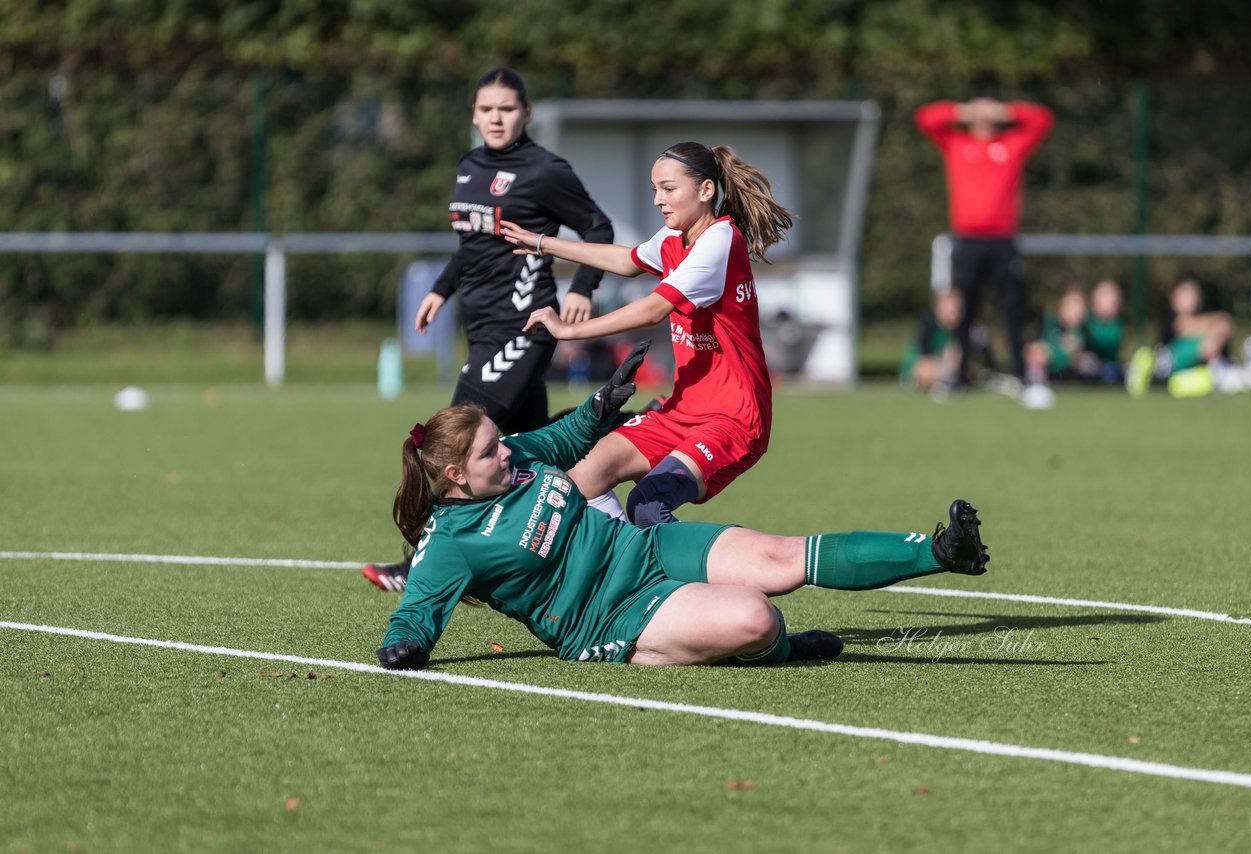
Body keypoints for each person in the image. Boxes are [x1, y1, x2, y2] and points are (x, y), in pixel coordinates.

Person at [375, 343, 990, 670]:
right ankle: (780, 648)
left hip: (644, 548)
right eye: (490, 454)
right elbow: (418, 610)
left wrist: (597, 407)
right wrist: (406, 646)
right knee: (756, 617)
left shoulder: (516, 453)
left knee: (781, 559)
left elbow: (558, 441)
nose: (506, 455)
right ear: (455, 476)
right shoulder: (448, 540)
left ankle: (940, 551)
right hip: (608, 616)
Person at [363, 67, 613, 591]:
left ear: (526, 113)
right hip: (482, 329)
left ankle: (420, 567)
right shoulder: (470, 165)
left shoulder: (545, 169)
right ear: (473, 115)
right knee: (539, 450)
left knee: (450, 446)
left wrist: (582, 288)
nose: (496, 118)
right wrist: (440, 288)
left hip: (523, 329)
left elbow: (598, 226)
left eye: (507, 109)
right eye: (486, 110)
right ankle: (574, 547)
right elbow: (472, 248)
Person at [499, 141, 792, 531]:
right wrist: (541, 243)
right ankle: (630, 574)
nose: (658, 199)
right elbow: (625, 260)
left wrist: (571, 331)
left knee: (648, 503)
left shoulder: (719, 241)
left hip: (733, 418)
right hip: (682, 409)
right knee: (581, 477)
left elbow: (653, 308)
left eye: (668, 189)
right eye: (654, 189)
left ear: (706, 190)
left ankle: (721, 574)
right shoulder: (674, 239)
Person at [915, 97, 1055, 384]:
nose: (983, 122)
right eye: (978, 118)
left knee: (1011, 309)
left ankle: (1021, 374)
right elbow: (925, 118)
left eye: (988, 118)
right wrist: (963, 110)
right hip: (968, 240)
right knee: (965, 310)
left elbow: (1043, 120)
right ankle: (959, 376)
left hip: (1003, 240)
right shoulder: (957, 144)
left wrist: (1006, 110)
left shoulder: (1011, 146)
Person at [1127, 277, 1251, 397]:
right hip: (1173, 362)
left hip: (1202, 366)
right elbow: (1184, 326)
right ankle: (1146, 373)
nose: (1189, 298)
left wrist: (1206, 327)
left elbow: (1226, 324)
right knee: (1208, 343)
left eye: (1192, 294)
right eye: (1184, 293)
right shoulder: (1169, 318)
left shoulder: (1205, 312)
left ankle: (1224, 376)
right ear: (1174, 298)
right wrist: (1209, 326)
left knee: (1213, 347)